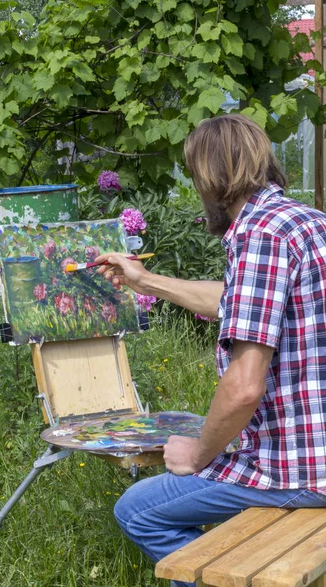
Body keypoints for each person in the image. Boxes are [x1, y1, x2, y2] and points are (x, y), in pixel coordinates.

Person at [96, 114, 326, 587]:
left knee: (138, 510)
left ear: (211, 177)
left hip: (302, 470)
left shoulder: (259, 236)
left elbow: (243, 388)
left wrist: (199, 454)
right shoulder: (306, 221)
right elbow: (237, 299)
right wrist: (144, 281)